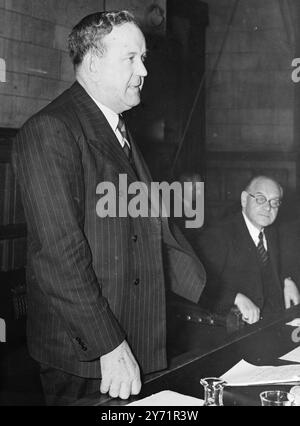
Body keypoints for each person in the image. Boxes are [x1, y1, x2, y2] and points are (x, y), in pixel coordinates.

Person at [11, 11, 206, 405]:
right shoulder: (51, 130)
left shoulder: (118, 129)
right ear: (95, 63)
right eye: (132, 58)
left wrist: (218, 293)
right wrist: (110, 346)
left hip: (134, 337)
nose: (144, 71)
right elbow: (59, 256)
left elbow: (154, 227)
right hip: (88, 354)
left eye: (144, 58)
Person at [197, 176, 300, 325]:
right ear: (245, 199)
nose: (268, 207)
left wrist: (287, 279)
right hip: (237, 328)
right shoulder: (218, 236)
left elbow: (285, 262)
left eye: (274, 202)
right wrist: (235, 298)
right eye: (260, 199)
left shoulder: (273, 231)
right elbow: (199, 287)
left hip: (274, 320)